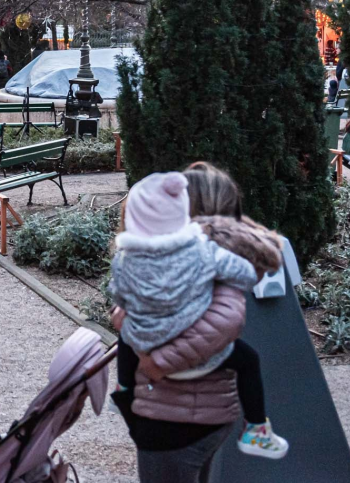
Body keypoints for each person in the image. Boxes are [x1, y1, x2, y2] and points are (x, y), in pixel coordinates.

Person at [109, 170, 289, 482]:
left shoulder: (207, 253)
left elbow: (223, 322)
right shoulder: (182, 254)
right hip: (181, 413)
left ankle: (256, 427)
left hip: (177, 422)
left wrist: (157, 360)